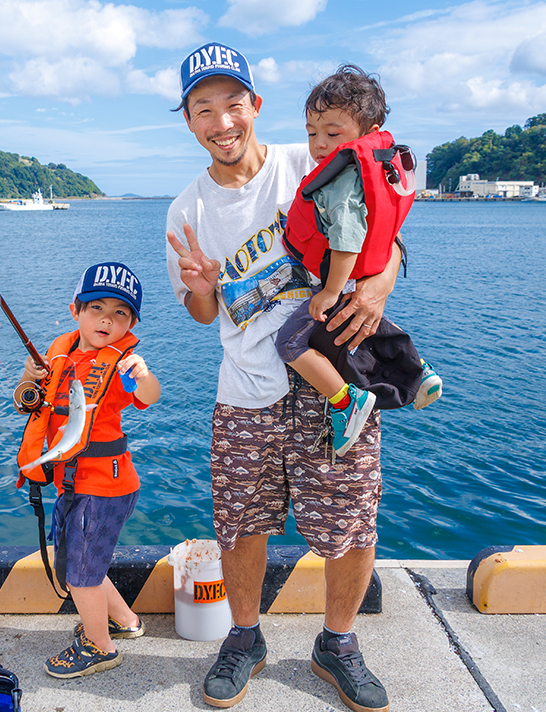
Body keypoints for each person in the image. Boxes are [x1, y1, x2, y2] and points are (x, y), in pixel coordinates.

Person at [166, 42, 398, 712]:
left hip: (336, 382)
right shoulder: (185, 210)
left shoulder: (316, 158)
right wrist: (202, 289)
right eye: (203, 109)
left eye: (232, 103)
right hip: (245, 392)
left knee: (352, 522)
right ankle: (244, 639)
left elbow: (387, 236)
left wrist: (378, 290)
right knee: (241, 524)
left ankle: (338, 643)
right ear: (189, 121)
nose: (222, 122)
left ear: (256, 105)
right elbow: (201, 313)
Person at [277, 64, 443, 458]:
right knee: (366, 326)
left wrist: (330, 291)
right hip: (361, 278)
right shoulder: (374, 171)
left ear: (369, 133)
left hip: (343, 280)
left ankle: (345, 402)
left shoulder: (341, 182)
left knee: (290, 342)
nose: (319, 144)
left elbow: (347, 239)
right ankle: (419, 371)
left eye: (332, 134)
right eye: (312, 133)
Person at [14, 261, 160, 678]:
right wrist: (28, 377)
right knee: (84, 563)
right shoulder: (58, 354)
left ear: (131, 323)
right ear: (75, 310)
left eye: (120, 313)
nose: (107, 320)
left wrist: (143, 374)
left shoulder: (123, 365)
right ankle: (125, 621)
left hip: (105, 486)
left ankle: (100, 647)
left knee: (81, 574)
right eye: (97, 308)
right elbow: (25, 402)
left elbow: (150, 395)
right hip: (73, 482)